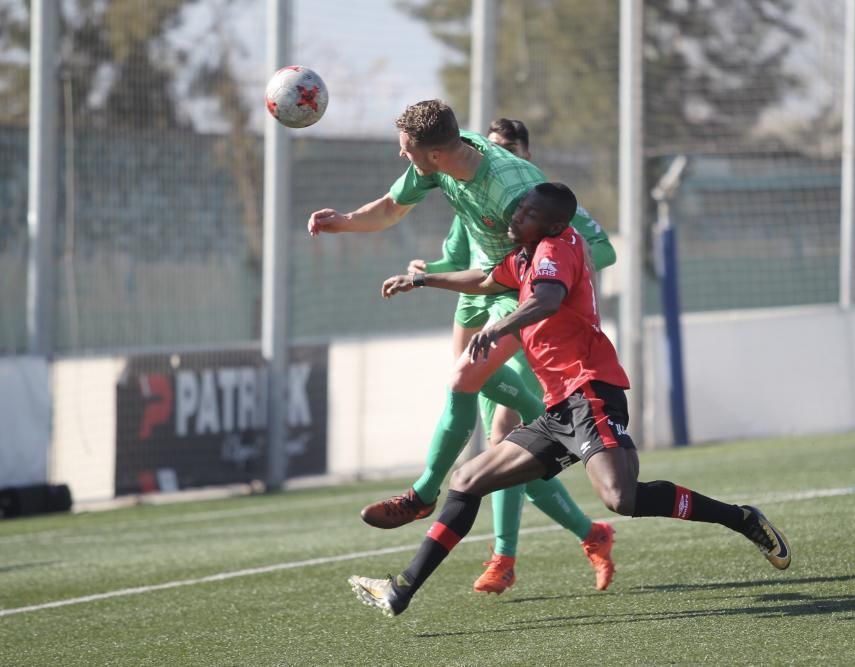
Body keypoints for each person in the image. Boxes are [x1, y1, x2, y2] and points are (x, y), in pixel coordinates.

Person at [348, 182, 791, 617]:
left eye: (529, 215)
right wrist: (423, 280)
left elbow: (547, 299)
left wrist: (499, 328)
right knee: (467, 480)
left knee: (621, 499)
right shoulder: (526, 253)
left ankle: (741, 519)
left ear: (554, 224)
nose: (517, 217)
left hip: (589, 390)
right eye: (520, 209)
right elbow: (485, 280)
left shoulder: (554, 250)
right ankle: (400, 590)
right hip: (559, 406)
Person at [307, 101, 616, 593]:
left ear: (431, 152)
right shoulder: (444, 164)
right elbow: (393, 210)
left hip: (523, 298)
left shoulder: (517, 194)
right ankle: (579, 510)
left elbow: (565, 264)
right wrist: (342, 221)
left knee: (485, 412)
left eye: (406, 149)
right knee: (494, 428)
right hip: (482, 294)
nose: (399, 155)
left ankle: (443, 507)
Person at [402, 117, 617, 594]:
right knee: (507, 457)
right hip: (481, 319)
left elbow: (600, 251)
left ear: (526, 157)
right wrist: (425, 271)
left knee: (504, 435)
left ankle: (503, 555)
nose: (503, 160)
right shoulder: (473, 201)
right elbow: (461, 265)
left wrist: (554, 271)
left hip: (527, 324)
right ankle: (591, 533)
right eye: (496, 149)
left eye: (511, 151)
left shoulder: (550, 210)